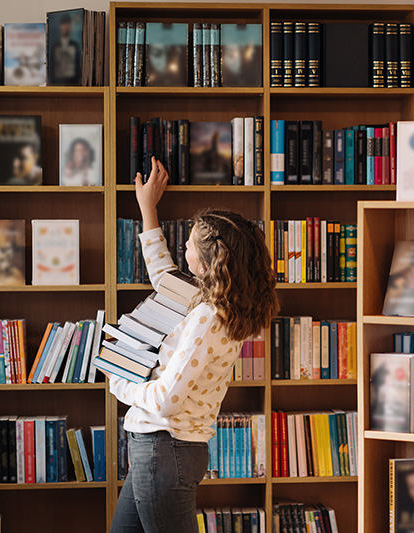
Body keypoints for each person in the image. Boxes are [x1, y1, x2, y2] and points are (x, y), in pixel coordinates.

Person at [108, 157, 279, 532]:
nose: (183, 248)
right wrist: (148, 209)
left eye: (187, 245)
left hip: (165, 448)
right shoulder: (216, 302)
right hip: (159, 448)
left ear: (206, 263)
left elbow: (167, 400)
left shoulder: (207, 316)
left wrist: (119, 381)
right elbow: (163, 275)